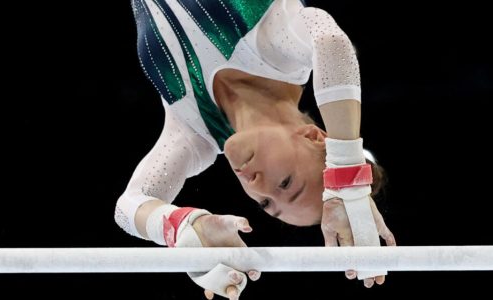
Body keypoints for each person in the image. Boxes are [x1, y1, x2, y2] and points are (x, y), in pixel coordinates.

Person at [115, 0, 396, 298]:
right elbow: (330, 40)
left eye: (265, 203)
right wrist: (347, 177)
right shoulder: (278, 53)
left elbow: (129, 205)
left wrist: (181, 227)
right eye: (286, 183)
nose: (257, 186)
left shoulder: (194, 131)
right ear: (314, 136)